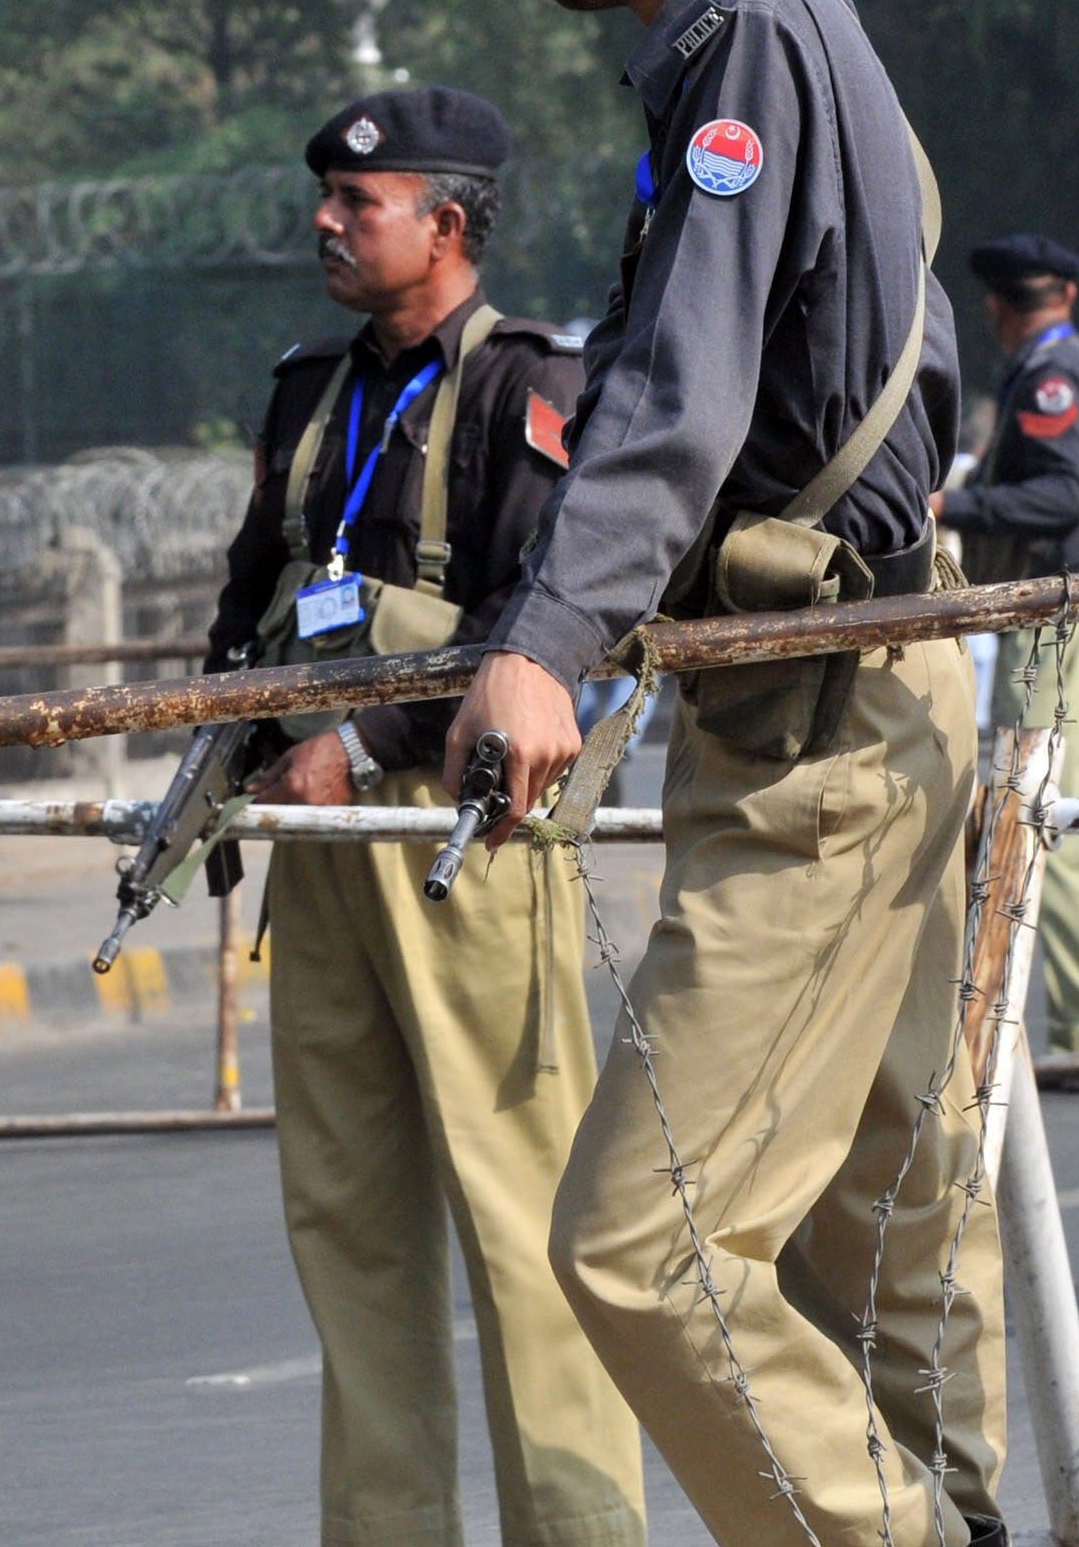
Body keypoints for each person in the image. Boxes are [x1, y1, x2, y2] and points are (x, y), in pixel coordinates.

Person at [454, 0, 1003, 1543]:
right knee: (880, 1230)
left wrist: (550, 637)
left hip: (823, 725)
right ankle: (963, 1511)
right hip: (846, 687)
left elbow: (681, 390)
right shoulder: (765, 37)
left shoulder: (752, 37)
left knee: (640, 1240)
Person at [204, 88, 644, 1547]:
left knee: (525, 1230)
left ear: (448, 225)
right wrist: (225, 751)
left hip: (468, 837)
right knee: (348, 1231)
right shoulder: (306, 385)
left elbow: (539, 617)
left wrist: (364, 737)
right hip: (321, 847)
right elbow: (252, 590)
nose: (327, 220)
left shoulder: (536, 381)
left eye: (362, 199)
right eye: (324, 195)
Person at [937, 233, 1079, 1084]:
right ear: (1066, 292)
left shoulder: (1050, 376)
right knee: (1057, 825)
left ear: (996, 308)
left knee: (1047, 826)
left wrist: (956, 500)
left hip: (1062, 621)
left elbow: (1063, 491)